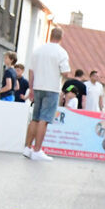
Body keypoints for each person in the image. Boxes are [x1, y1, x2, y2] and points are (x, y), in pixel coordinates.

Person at [23, 26, 71, 162]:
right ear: (61, 38)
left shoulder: (38, 50)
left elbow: (31, 70)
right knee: (44, 120)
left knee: (35, 118)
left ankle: (27, 147)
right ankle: (37, 150)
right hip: (52, 88)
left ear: (50, 35)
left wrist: (31, 88)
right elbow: (65, 72)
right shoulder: (61, 52)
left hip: (37, 86)